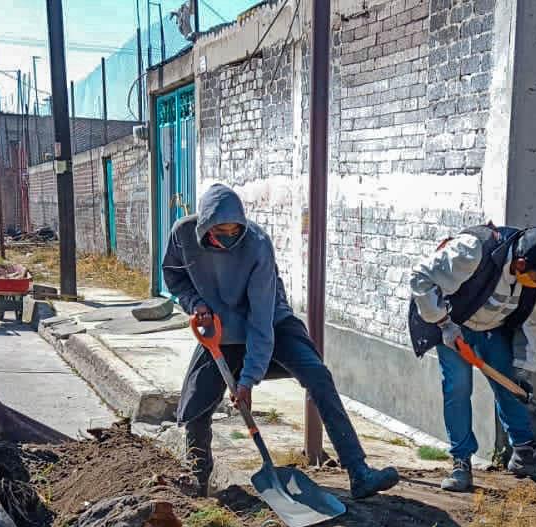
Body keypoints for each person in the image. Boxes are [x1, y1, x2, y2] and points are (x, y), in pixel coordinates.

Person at [164, 182, 399, 500]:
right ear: (205, 226)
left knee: (318, 375)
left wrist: (248, 380)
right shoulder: (183, 235)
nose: (229, 239)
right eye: (222, 232)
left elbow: (261, 322)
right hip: (220, 329)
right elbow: (174, 275)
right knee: (196, 405)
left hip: (272, 322)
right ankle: (198, 484)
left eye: (235, 231)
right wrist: (195, 304)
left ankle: (359, 471)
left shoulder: (257, 244)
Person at [407, 223, 536, 492]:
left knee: (509, 385)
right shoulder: (473, 250)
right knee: (458, 387)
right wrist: (443, 322)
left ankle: (523, 455)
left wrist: (523, 368)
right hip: (455, 325)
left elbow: (535, 324)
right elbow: (420, 277)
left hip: (494, 330)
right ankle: (461, 462)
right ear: (520, 263)